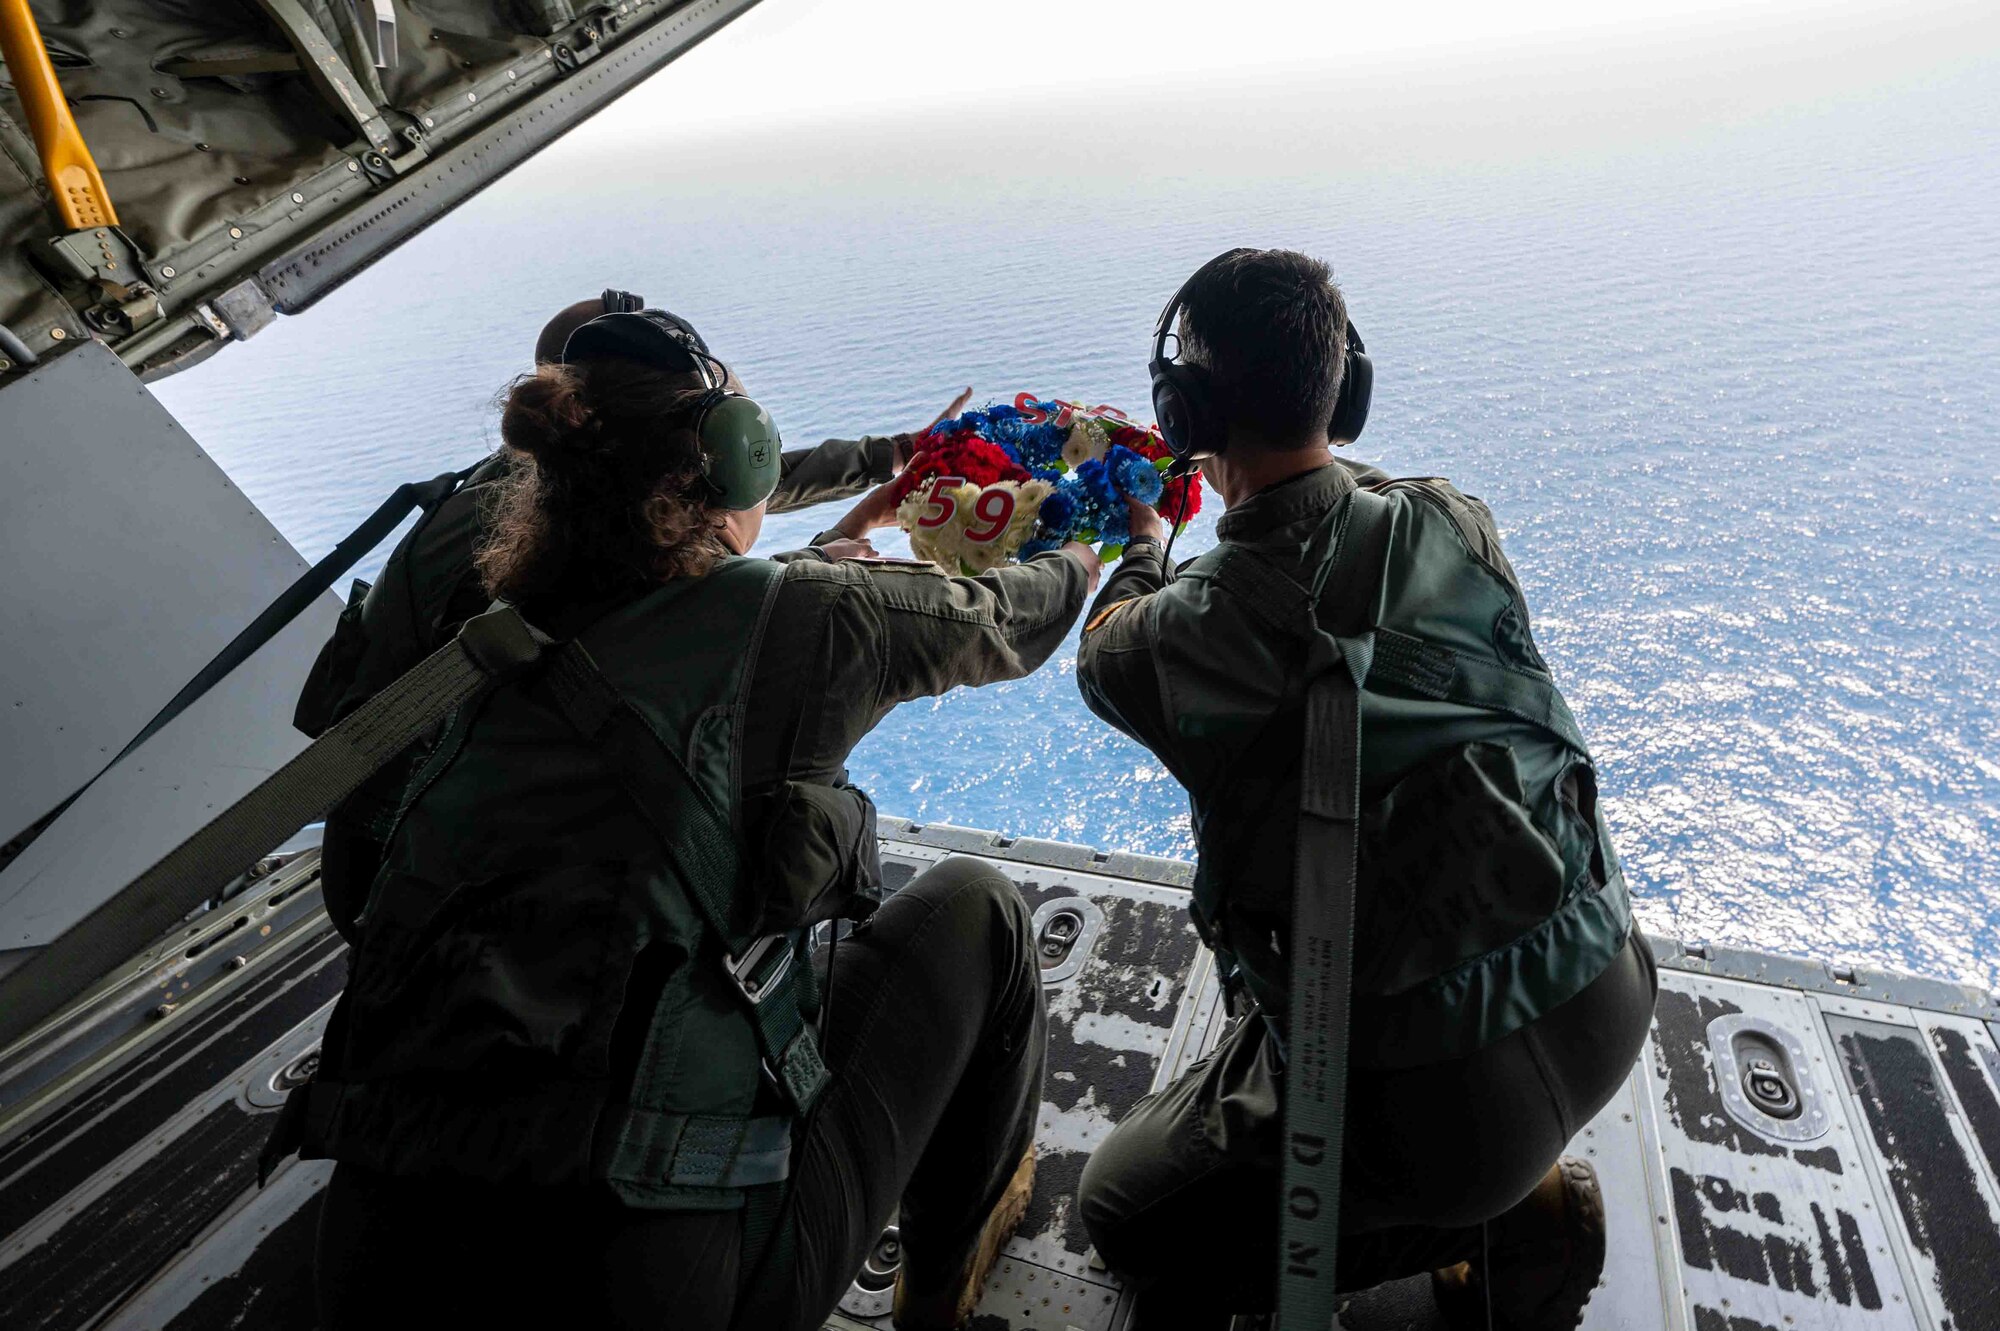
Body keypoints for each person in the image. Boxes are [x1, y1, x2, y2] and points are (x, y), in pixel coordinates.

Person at [278, 307, 1102, 1330]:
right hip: (667, 1286)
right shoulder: (809, 614)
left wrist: (837, 552)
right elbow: (1012, 619)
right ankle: (938, 1287)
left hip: (375, 1270)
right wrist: (1103, 541)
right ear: (724, 470)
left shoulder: (489, 637)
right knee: (979, 909)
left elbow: (709, 621)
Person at [1072, 248, 1658, 1330]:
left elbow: (1104, 644)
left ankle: (1496, 1215)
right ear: (1345, 393)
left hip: (1439, 1114)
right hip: (1605, 985)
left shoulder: (1173, 640)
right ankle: (1516, 1189)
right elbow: (1353, 519)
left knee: (1120, 1211)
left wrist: (1149, 538)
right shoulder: (1455, 519)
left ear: (1185, 409)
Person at [292, 290, 969, 922]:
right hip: (442, 879)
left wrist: (890, 457)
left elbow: (716, 491)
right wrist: (822, 562)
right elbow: (645, 637)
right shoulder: (538, 528)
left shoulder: (535, 485)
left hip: (389, 854)